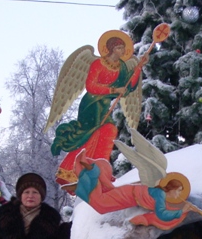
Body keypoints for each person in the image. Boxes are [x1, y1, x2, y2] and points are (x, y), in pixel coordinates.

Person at [52, 31, 147, 191]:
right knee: (92, 134)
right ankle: (73, 170)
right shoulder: (98, 64)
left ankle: (99, 169)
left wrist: (138, 68)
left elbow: (128, 86)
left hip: (104, 105)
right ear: (110, 49)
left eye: (123, 48)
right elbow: (91, 86)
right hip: (92, 104)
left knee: (108, 131)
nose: (122, 51)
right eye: (118, 48)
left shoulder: (122, 67)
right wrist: (113, 89)